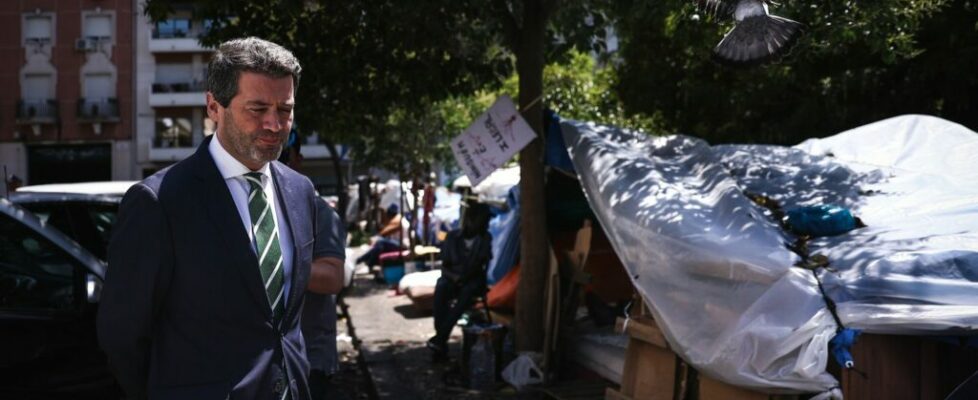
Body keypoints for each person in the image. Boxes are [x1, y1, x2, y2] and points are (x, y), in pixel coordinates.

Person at [97, 37, 342, 400]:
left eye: (285, 110)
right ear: (214, 106)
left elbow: (283, 322)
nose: (275, 124)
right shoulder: (160, 202)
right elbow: (122, 334)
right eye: (258, 109)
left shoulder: (300, 191)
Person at [278, 128, 349, 400]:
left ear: (298, 159)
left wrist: (270, 261)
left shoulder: (318, 213)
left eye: (283, 156)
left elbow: (332, 278)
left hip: (307, 360)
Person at [427, 202, 493, 359]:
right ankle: (440, 341)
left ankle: (440, 339)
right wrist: (455, 278)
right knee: (441, 288)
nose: (482, 223)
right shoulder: (452, 237)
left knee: (467, 292)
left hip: (472, 281)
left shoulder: (485, 238)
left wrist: (463, 279)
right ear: (470, 219)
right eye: (480, 219)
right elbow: (445, 266)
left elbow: (480, 266)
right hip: (451, 279)